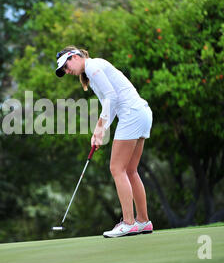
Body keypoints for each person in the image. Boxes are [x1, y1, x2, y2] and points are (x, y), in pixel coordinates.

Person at [55, 46, 153, 238]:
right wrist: (100, 131)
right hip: (141, 113)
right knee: (131, 171)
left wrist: (100, 128)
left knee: (117, 168)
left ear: (74, 57)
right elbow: (111, 104)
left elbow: (113, 98)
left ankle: (128, 222)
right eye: (64, 71)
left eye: (66, 67)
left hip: (132, 114)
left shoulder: (93, 65)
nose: (67, 72)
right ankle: (143, 222)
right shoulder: (92, 74)